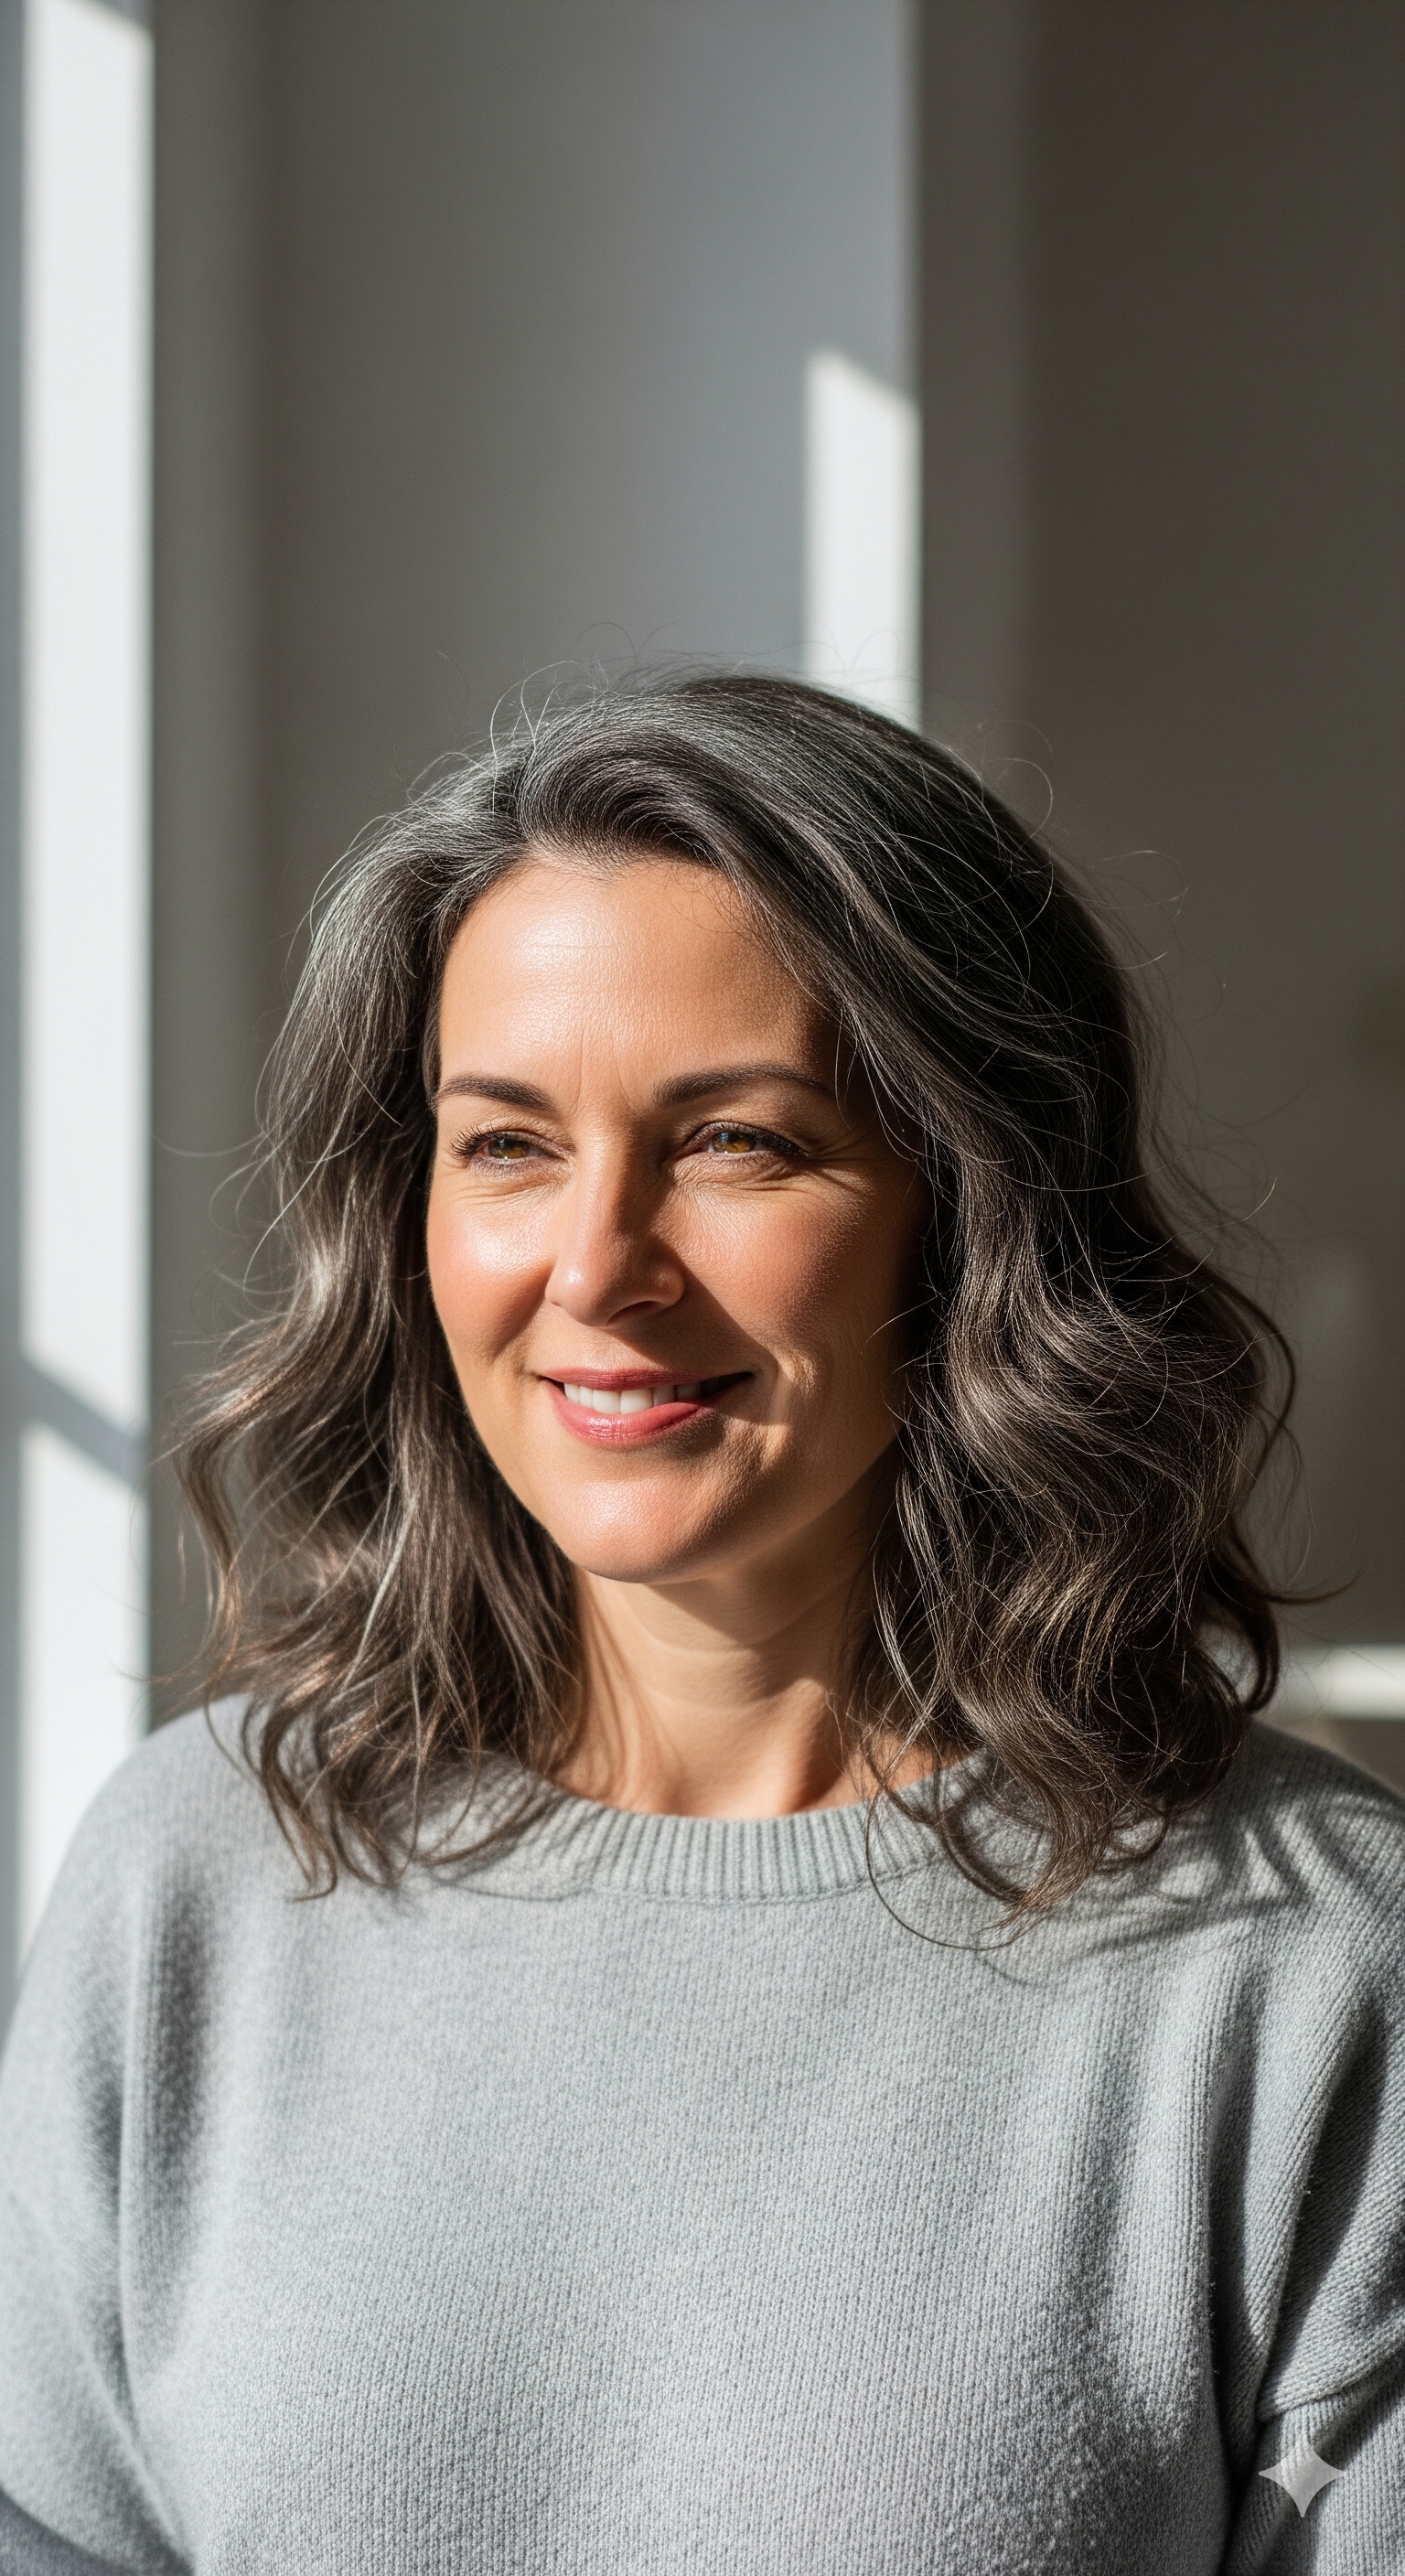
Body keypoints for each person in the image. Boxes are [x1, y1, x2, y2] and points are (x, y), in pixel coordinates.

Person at [0, 675, 1400, 2574]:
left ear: (971, 1207)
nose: (595, 1265)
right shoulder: (198, 1881)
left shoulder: (1310, 1968)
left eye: (736, 1141)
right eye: (506, 1144)